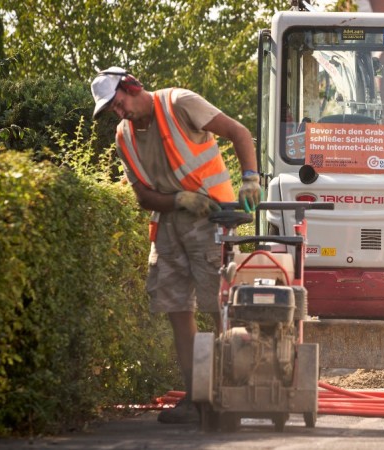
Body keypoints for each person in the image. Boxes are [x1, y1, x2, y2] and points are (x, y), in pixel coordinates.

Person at [91, 67, 261, 424]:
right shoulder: (124, 136)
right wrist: (179, 200)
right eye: (112, 110)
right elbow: (142, 195)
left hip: (214, 218)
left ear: (132, 86)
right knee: (177, 310)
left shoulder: (179, 103)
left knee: (221, 307)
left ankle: (231, 390)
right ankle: (196, 396)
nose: (120, 113)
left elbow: (239, 132)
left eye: (119, 103)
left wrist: (250, 179)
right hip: (169, 225)